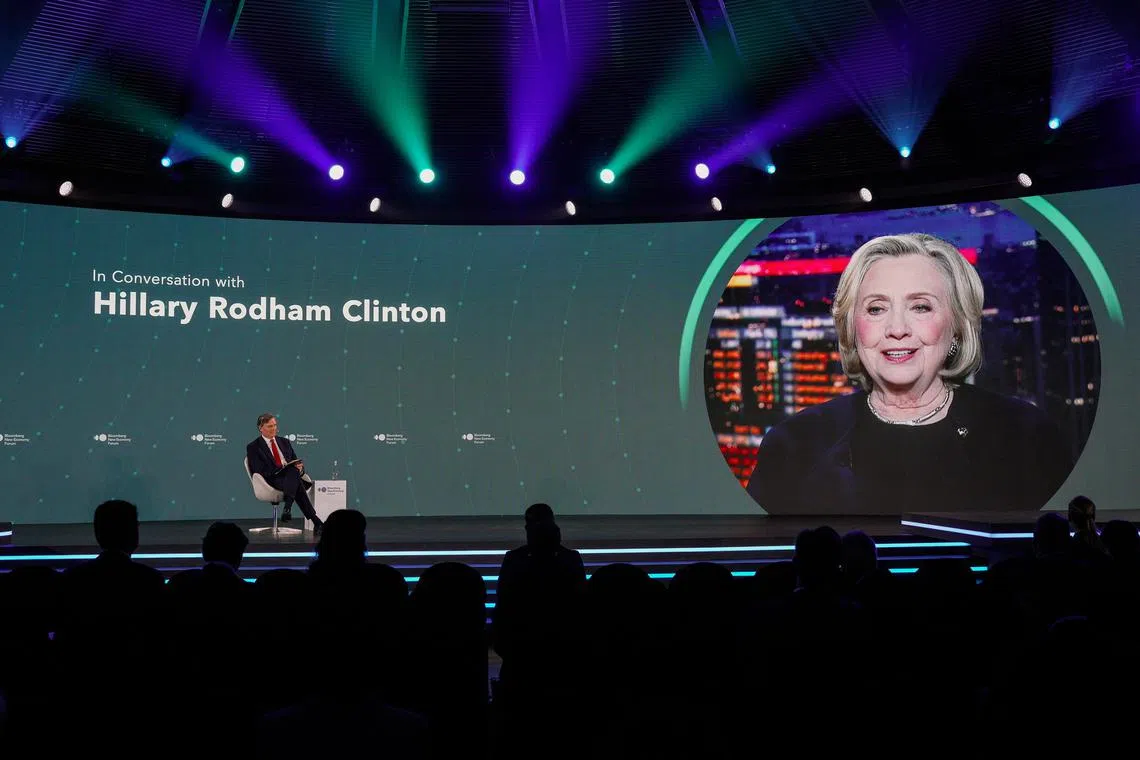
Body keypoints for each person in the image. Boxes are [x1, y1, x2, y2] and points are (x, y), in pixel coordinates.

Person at [746, 233, 1073, 515]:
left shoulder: (1027, 438)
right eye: (876, 308)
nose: (897, 328)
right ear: (852, 328)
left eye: (920, 307)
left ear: (957, 327)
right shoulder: (794, 445)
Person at [246, 413, 322, 533]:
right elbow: (258, 470)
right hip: (271, 480)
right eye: (270, 426)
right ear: (261, 428)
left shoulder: (284, 442)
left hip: (290, 477)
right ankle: (314, 520)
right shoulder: (253, 446)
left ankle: (289, 508)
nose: (274, 428)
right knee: (295, 479)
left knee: (293, 471)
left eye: (275, 425)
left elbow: (295, 461)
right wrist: (281, 469)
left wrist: (300, 468)